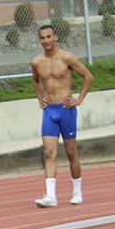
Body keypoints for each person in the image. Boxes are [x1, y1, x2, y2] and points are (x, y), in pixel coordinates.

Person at [31, 24, 93, 208]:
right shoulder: (36, 62)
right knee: (49, 152)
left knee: (71, 152)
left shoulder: (67, 58)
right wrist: (40, 98)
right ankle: (51, 196)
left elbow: (88, 76)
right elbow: (35, 80)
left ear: (56, 37)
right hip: (49, 111)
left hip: (66, 109)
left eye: (49, 37)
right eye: (42, 38)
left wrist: (79, 99)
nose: (46, 41)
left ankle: (77, 191)